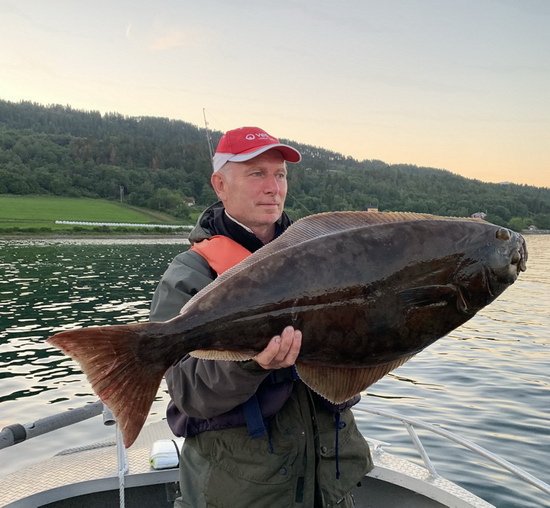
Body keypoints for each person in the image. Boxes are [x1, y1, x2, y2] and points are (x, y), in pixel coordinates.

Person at [150, 126, 373, 507]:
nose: (273, 187)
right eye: (257, 173)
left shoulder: (326, 254)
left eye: (280, 174)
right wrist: (250, 365)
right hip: (242, 491)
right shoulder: (189, 276)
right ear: (220, 185)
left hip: (329, 484)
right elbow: (189, 392)